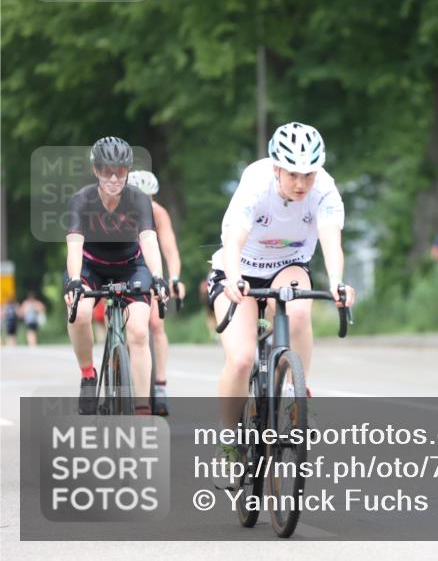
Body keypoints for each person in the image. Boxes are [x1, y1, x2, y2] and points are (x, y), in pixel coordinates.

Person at [207, 122, 355, 472]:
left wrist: (336, 281)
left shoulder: (325, 190)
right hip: (239, 270)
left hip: (287, 267)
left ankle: (294, 395)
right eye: (293, 175)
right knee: (242, 359)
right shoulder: (256, 183)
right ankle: (229, 442)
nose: (302, 183)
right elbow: (233, 240)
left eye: (309, 174)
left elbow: (331, 239)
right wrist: (233, 278)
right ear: (276, 168)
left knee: (300, 314)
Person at [63, 136, 168, 416]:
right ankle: (88, 375)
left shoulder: (138, 200)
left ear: (128, 170)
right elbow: (74, 245)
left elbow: (148, 240)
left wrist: (158, 276)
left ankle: (144, 409)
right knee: (81, 311)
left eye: (120, 171)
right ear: (96, 171)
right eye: (106, 171)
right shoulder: (81, 200)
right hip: (90, 266)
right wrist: (75, 280)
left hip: (130, 265)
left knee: (138, 331)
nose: (113, 177)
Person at [128, 170, 187, 415]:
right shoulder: (119, 211)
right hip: (123, 267)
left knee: (156, 323)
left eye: (149, 197)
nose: (145, 202)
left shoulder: (158, 213)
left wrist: (173, 278)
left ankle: (160, 386)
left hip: (150, 271)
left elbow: (170, 249)